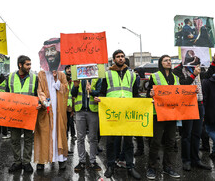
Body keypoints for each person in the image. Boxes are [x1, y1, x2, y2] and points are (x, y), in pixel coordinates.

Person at [94, 49, 141, 180]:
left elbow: (135, 94)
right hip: (112, 113)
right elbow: (103, 92)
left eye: (122, 56)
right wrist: (99, 98)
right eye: (118, 57)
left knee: (128, 141)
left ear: (125, 59)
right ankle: (110, 166)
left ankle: (130, 166)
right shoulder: (107, 74)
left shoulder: (132, 74)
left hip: (127, 112)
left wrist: (146, 102)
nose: (121, 58)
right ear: (114, 59)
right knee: (111, 141)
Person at [173, 51, 215, 171]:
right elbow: (183, 85)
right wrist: (193, 75)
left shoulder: (198, 68)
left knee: (197, 134)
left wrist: (214, 62)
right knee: (186, 134)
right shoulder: (178, 69)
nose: (194, 58)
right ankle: (186, 160)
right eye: (190, 55)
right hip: (187, 105)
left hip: (199, 104)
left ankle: (196, 160)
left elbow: (208, 75)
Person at [145, 55, 181, 180]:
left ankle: (168, 167)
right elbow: (148, 94)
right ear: (161, 63)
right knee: (156, 141)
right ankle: (151, 167)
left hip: (172, 113)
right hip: (158, 113)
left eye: (170, 60)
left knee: (171, 141)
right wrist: (150, 94)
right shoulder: (154, 76)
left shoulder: (176, 78)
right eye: (166, 60)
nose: (168, 62)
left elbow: (180, 93)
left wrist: (193, 92)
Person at [7, 55, 39, 173]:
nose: (30, 67)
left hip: (28, 114)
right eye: (27, 64)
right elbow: (6, 94)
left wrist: (39, 103)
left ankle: (26, 162)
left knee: (28, 139)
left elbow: (37, 94)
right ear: (20, 65)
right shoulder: (10, 77)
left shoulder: (34, 78)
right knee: (14, 139)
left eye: (30, 64)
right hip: (14, 114)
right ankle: (17, 162)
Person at [34, 66, 69, 170]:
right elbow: (39, 90)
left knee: (59, 133)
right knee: (43, 133)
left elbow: (66, 90)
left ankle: (61, 159)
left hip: (59, 111)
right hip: (45, 110)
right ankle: (41, 161)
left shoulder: (61, 74)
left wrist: (55, 79)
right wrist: (45, 102)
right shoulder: (41, 74)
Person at [71, 77, 102, 172]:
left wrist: (91, 91)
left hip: (93, 111)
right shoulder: (78, 77)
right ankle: (82, 161)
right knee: (80, 138)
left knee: (93, 138)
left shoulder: (97, 78)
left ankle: (93, 161)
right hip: (80, 111)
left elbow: (100, 92)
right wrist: (75, 86)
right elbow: (73, 94)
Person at [64, 65, 76, 140]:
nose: (69, 70)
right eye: (68, 69)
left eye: (70, 69)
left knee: (71, 121)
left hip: (71, 104)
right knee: (66, 122)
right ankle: (66, 135)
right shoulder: (63, 79)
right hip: (64, 104)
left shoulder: (74, 79)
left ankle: (73, 135)